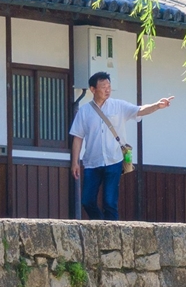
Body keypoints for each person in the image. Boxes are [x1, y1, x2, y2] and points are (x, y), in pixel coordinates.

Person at [68, 72, 174, 220]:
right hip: (92, 162)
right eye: (103, 87)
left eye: (109, 86)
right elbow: (77, 137)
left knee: (110, 202)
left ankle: (113, 233)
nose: (107, 90)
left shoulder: (119, 106)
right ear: (92, 89)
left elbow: (139, 110)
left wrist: (157, 105)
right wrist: (75, 162)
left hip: (114, 160)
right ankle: (100, 226)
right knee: (87, 201)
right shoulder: (85, 111)